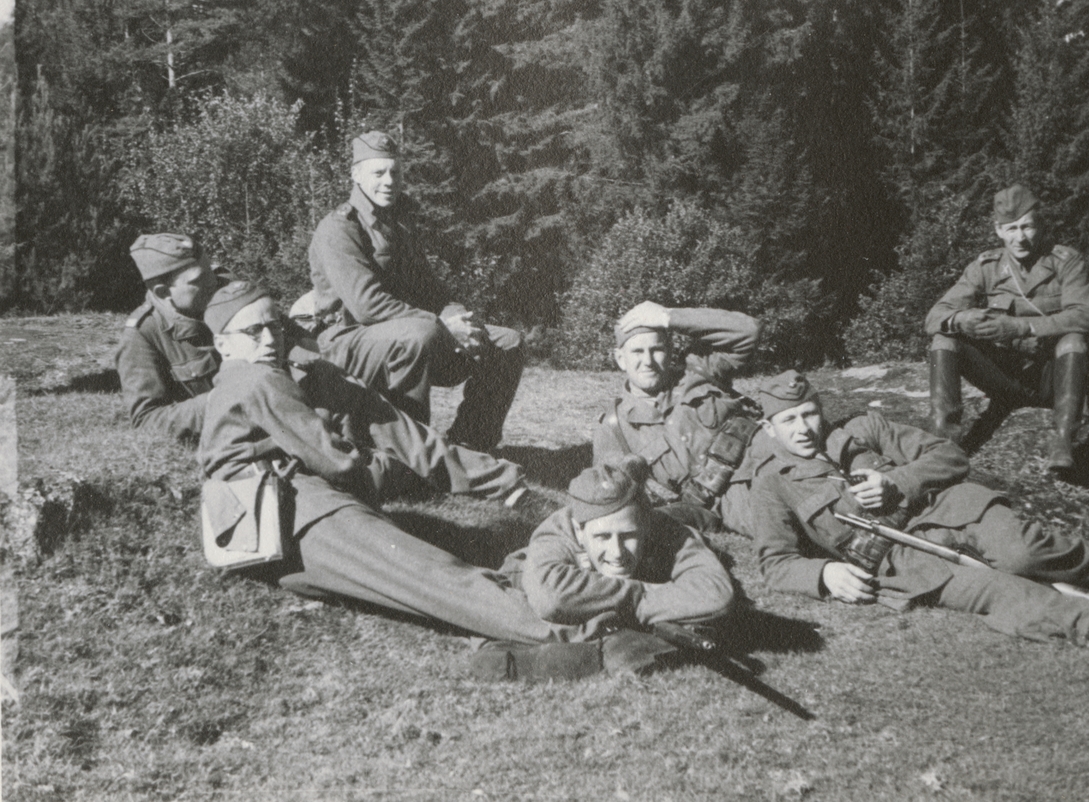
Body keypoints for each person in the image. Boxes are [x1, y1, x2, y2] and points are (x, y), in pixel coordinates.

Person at [197, 280, 573, 645]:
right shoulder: (255, 377)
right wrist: (383, 473)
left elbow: (397, 430)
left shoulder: (293, 372)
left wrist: (500, 480)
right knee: (432, 577)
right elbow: (341, 463)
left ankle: (546, 589)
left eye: (275, 326)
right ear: (222, 343)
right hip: (294, 511)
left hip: (267, 535)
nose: (269, 339)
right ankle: (565, 625)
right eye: (253, 331)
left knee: (428, 572)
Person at [747, 370, 1089, 665]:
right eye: (789, 420)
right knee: (993, 590)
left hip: (953, 509)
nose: (803, 428)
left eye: (809, 414)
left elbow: (951, 455)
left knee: (1023, 552)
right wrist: (825, 574)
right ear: (770, 428)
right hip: (905, 561)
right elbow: (775, 562)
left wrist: (897, 482)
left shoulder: (865, 428)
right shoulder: (772, 484)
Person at [307, 131, 523, 451]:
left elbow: (431, 289)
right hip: (346, 342)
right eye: (378, 173)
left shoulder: (399, 225)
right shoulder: (339, 228)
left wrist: (457, 316)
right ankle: (410, 455)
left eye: (395, 172)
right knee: (419, 335)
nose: (389, 181)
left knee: (506, 342)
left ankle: (470, 447)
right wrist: (442, 326)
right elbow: (367, 306)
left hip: (407, 336)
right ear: (356, 175)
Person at [475, 457, 737, 679]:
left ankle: (600, 641)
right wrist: (649, 596)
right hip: (525, 582)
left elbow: (717, 595)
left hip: (588, 599)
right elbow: (552, 598)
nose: (617, 552)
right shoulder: (555, 532)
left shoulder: (664, 527)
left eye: (628, 536)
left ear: (645, 525)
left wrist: (615, 599)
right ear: (579, 531)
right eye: (602, 537)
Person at [924, 184, 1089, 474]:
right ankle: (941, 442)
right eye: (1011, 228)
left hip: (1052, 378)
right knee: (944, 338)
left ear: (1039, 225)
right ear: (999, 230)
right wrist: (961, 319)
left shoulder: (1065, 262)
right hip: (1004, 378)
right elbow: (934, 317)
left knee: (1073, 340)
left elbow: (1087, 316)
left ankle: (1063, 442)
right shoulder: (986, 266)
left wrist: (1022, 327)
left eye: (1027, 227)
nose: (1020, 238)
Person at [592, 301, 762, 534]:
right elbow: (608, 498)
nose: (648, 361)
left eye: (657, 349)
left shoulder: (700, 371)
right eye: (637, 352)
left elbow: (750, 331)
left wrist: (668, 317)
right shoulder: (614, 428)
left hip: (767, 465)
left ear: (670, 351)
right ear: (620, 359)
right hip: (731, 508)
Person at [114, 233, 225, 443]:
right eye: (198, 280)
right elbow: (146, 421)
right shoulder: (142, 335)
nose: (212, 281)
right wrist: (219, 401)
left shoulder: (226, 288)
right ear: (164, 292)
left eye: (210, 270)